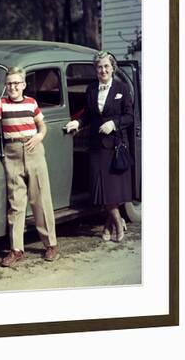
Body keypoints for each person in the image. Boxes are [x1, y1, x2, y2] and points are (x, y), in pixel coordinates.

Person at [0, 67, 59, 267]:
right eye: (9, 84)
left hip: (33, 150)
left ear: (23, 85)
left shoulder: (32, 103)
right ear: (5, 85)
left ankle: (51, 245)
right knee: (16, 203)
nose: (13, 87)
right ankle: (16, 249)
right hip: (12, 153)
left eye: (16, 83)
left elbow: (42, 126)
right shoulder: (1, 103)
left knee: (40, 199)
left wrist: (39, 136)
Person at [64, 51, 133, 242]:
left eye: (106, 67)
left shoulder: (122, 88)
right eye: (99, 67)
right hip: (96, 146)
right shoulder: (91, 89)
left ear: (113, 68)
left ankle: (110, 225)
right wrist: (77, 123)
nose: (103, 70)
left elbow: (129, 116)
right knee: (101, 188)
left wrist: (114, 124)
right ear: (96, 70)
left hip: (115, 145)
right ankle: (117, 222)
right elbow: (88, 114)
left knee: (112, 189)